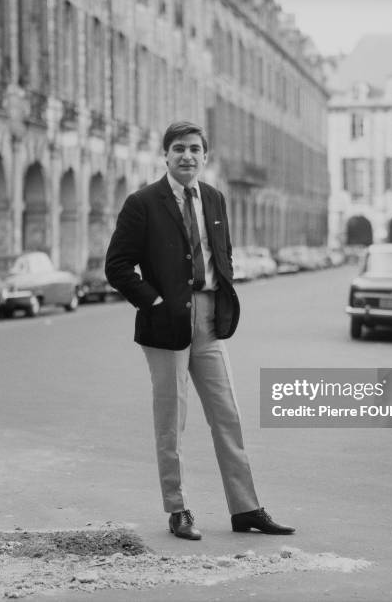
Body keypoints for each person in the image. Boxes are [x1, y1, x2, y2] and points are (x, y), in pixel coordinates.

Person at [105, 121, 294, 540]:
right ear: (166, 156)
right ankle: (178, 510)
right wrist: (155, 301)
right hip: (166, 324)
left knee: (227, 414)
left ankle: (245, 508)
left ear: (205, 156)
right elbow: (117, 266)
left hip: (209, 319)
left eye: (194, 149)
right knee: (172, 421)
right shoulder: (143, 203)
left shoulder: (213, 198)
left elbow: (219, 253)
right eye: (178, 149)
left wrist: (222, 291)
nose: (187, 156)